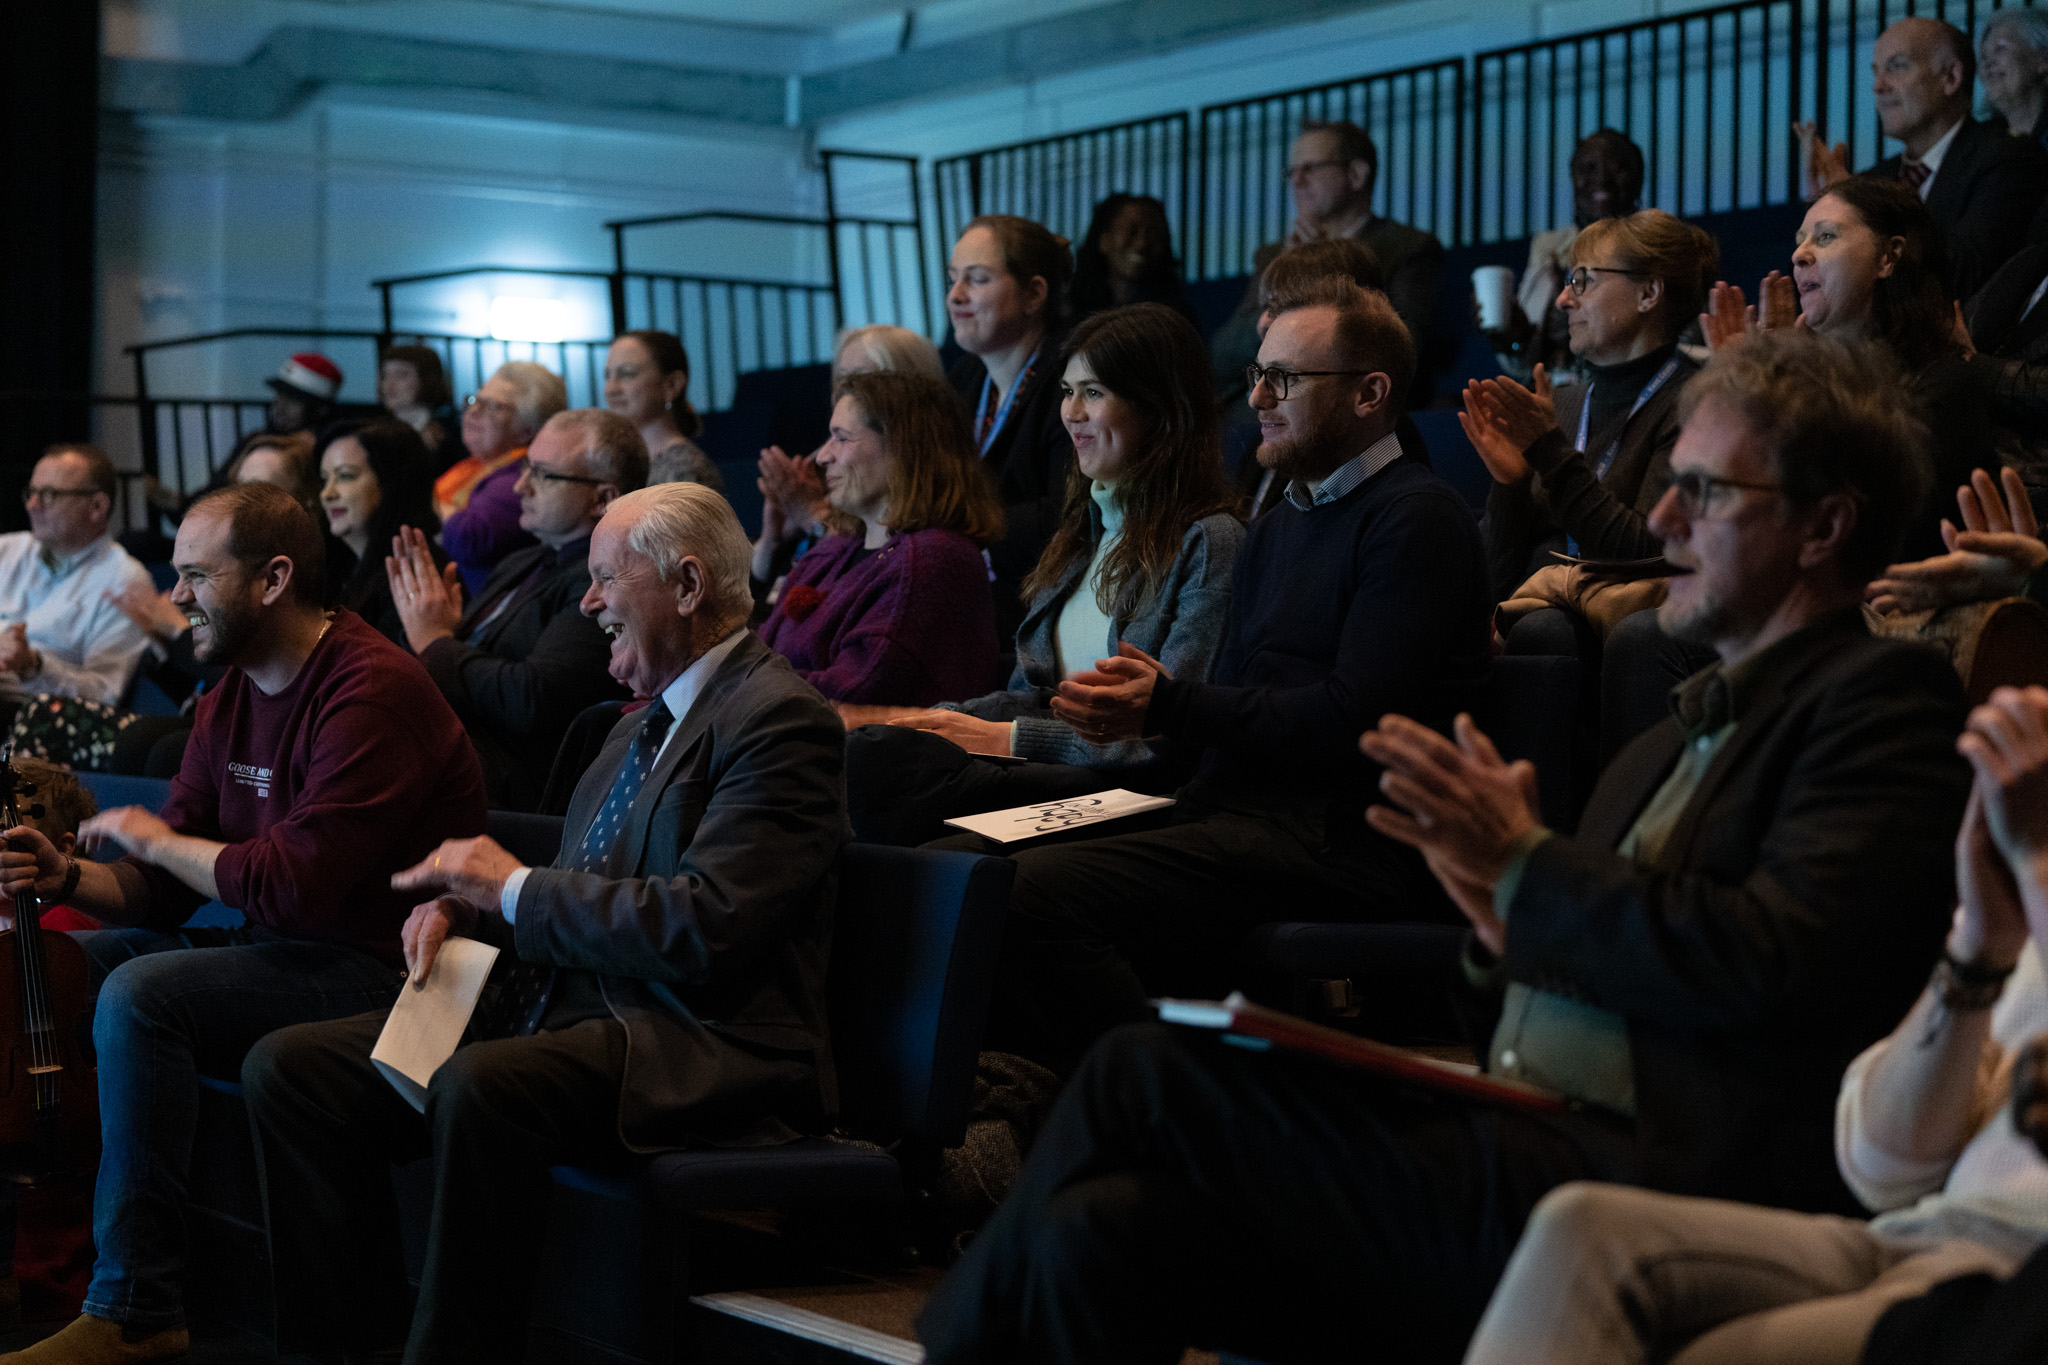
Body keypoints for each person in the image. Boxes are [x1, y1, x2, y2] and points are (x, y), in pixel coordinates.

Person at [916, 328, 1972, 1365]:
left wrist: (1525, 869)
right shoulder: (1664, 738)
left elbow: (1766, 964)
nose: (1656, 520)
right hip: (1523, 1121)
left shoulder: (1880, 706)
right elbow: (1531, 984)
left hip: (1657, 1170)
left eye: (1702, 493)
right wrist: (1491, 918)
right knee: (1101, 1227)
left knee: (1144, 1071)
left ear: (1824, 528)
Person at [239, 481, 847, 1365]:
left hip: (694, 1034)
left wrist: (513, 888)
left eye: (606, 578)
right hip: (573, 1008)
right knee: (289, 1069)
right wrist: (471, 903)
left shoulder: (780, 720)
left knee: (486, 1084)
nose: (588, 600)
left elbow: (707, 925)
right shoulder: (625, 730)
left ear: (686, 585)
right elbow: (575, 885)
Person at [0, 481, 487, 1365]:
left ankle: (138, 1305)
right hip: (283, 946)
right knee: (75, 958)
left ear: (272, 578)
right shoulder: (227, 694)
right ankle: (43, 1255)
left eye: (194, 575)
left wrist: (162, 841)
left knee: (145, 992)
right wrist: (69, 872)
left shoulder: (370, 690)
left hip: (390, 969)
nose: (175, 594)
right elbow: (159, 883)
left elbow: (297, 888)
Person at [962, 278, 1490, 1078]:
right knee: (960, 864)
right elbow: (1234, 704)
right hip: (1229, 810)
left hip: (1339, 839)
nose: (1260, 396)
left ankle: (1170, 1103)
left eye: (1288, 378)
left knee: (1033, 894)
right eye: (1257, 374)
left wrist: (1168, 703)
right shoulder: (1279, 525)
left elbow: (1358, 721)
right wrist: (1142, 724)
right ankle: (1024, 1102)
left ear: (1369, 393)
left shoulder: (1417, 518)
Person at [1463, 683, 2048, 1365]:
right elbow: (1882, 1168)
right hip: (1912, 1235)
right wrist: (1980, 946)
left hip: (2018, 1271)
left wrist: (2036, 871)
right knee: (1579, 1226)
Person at [839, 303, 1245, 846]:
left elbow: (1168, 741)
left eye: (1094, 393)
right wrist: (927, 720)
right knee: (866, 760)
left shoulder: (1210, 541)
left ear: (1159, 410)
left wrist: (1003, 738)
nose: (1071, 412)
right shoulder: (1083, 537)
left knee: (905, 816)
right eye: (1066, 391)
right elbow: (1031, 697)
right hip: (1057, 778)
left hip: (1140, 798)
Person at [1709, 175, 1996, 563]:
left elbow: (1860, 533)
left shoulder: (1945, 386)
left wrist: (1772, 397)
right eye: (1799, 240)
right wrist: (1757, 389)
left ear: (1889, 257)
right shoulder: (1811, 378)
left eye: (1825, 237)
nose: (1799, 255)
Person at [387, 409, 641, 812]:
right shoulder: (520, 561)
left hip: (517, 789)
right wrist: (426, 625)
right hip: (462, 755)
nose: (521, 486)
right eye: (525, 469)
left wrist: (436, 643)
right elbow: (447, 650)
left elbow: (532, 699)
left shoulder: (601, 582)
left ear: (603, 499)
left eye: (542, 474)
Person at [1463, 209, 1718, 603]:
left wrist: (1550, 452)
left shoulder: (1694, 403)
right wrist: (1510, 486)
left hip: (1607, 622)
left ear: (1648, 294)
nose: (1564, 300)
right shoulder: (1560, 404)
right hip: (1529, 618)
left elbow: (1649, 553)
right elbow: (1489, 586)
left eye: (1583, 281)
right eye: (1569, 282)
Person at [755, 372, 1002, 707]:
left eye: (841, 438)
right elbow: (759, 653)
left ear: (903, 447)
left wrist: (736, 685)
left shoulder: (935, 559)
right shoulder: (834, 549)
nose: (823, 456)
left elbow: (856, 693)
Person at [1800, 17, 2048, 303]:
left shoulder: (2009, 160)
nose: (1879, 86)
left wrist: (1867, 221)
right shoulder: (1873, 180)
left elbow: (1964, 275)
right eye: (1876, 72)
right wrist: (1825, 214)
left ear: (1950, 78)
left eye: (1896, 67)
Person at [1210, 120, 1446, 415]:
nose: (1297, 181)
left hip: (1353, 406)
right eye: (1291, 172)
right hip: (1266, 407)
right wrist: (1288, 280)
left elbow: (1404, 346)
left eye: (1310, 168)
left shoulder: (1408, 247)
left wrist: (1319, 273)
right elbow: (1222, 356)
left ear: (1356, 175)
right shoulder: (1275, 255)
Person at [751, 324, 948, 612]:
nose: (845, 394)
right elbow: (758, 609)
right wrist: (773, 541)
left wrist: (813, 517)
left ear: (908, 390)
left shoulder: (927, 476)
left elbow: (879, 579)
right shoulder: (820, 464)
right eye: (841, 382)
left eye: (862, 380)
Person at [945, 214, 1078, 640]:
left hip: (1044, 607)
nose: (955, 296)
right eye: (952, 279)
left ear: (1034, 293)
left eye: (977, 279)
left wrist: (955, 523)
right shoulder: (962, 382)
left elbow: (1068, 513)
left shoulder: (1074, 382)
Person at [1484, 129, 1648, 387]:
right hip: (1551, 392)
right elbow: (1521, 363)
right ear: (1573, 178)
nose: (1602, 180)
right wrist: (1513, 337)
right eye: (1589, 168)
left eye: (1618, 168)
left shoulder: (1654, 246)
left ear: (1639, 179)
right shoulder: (1549, 249)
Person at [0, 443, 155, 711]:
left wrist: (33, 666)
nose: (32, 505)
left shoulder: (125, 581)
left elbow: (104, 696)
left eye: (48, 494)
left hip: (32, 719)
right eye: (32, 492)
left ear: (96, 506)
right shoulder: (8, 550)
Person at [435, 360, 568, 597]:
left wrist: (434, 507)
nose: (473, 411)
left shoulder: (521, 476)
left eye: (493, 406)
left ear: (527, 430)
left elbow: (470, 538)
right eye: (475, 400)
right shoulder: (470, 467)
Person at [319, 419, 443, 647]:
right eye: (325, 479)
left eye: (345, 476)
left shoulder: (416, 572)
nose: (327, 493)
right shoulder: (337, 565)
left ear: (390, 482)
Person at [604, 329, 723, 492]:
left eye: (627, 374)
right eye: (607, 375)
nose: (611, 388)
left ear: (672, 384)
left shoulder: (685, 470)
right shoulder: (616, 461)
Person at [1067, 194, 1190, 323]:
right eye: (1131, 231)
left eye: (1153, 233)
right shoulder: (1072, 310)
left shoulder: (1175, 315)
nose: (1142, 243)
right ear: (1104, 240)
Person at [377, 344, 459, 464]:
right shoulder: (376, 430)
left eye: (401, 375)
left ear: (427, 379)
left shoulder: (447, 432)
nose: (388, 385)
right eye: (385, 376)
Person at [1981, 8, 2048, 155]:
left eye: (2001, 49)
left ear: (2043, 60)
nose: (1988, 63)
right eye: (1984, 56)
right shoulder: (1981, 142)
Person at [261, 352, 343, 437]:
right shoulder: (261, 440)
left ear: (321, 409)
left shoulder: (334, 447)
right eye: (279, 395)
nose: (280, 407)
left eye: (293, 399)